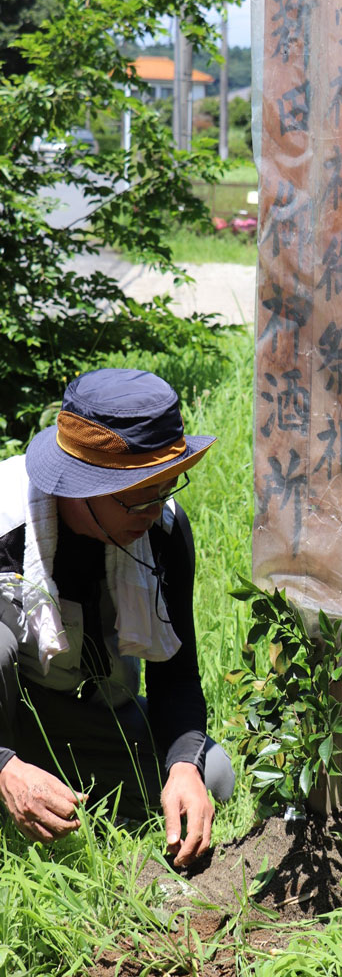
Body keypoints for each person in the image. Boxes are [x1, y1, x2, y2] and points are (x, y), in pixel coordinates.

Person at [0, 368, 235, 866]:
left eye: (166, 485)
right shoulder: (5, 521)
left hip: (81, 712)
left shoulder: (162, 527)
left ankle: (52, 781)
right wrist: (4, 768)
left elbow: (176, 674)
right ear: (79, 485)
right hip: (9, 711)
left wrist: (184, 768)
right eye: (139, 493)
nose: (156, 507)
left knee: (213, 774)